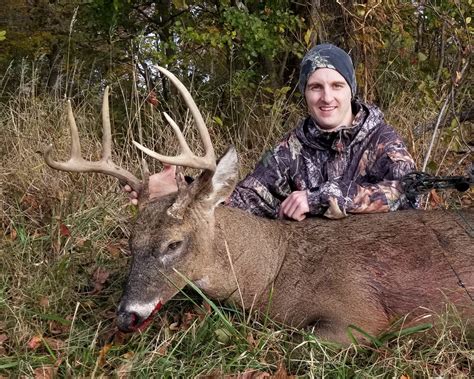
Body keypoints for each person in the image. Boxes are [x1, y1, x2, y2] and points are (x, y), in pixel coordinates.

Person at [126, 44, 416, 220]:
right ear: (305, 93)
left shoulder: (382, 139)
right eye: (316, 87)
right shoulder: (290, 150)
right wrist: (182, 188)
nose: (327, 97)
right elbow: (243, 201)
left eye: (337, 86)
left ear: (350, 91)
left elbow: (409, 193)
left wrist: (316, 198)